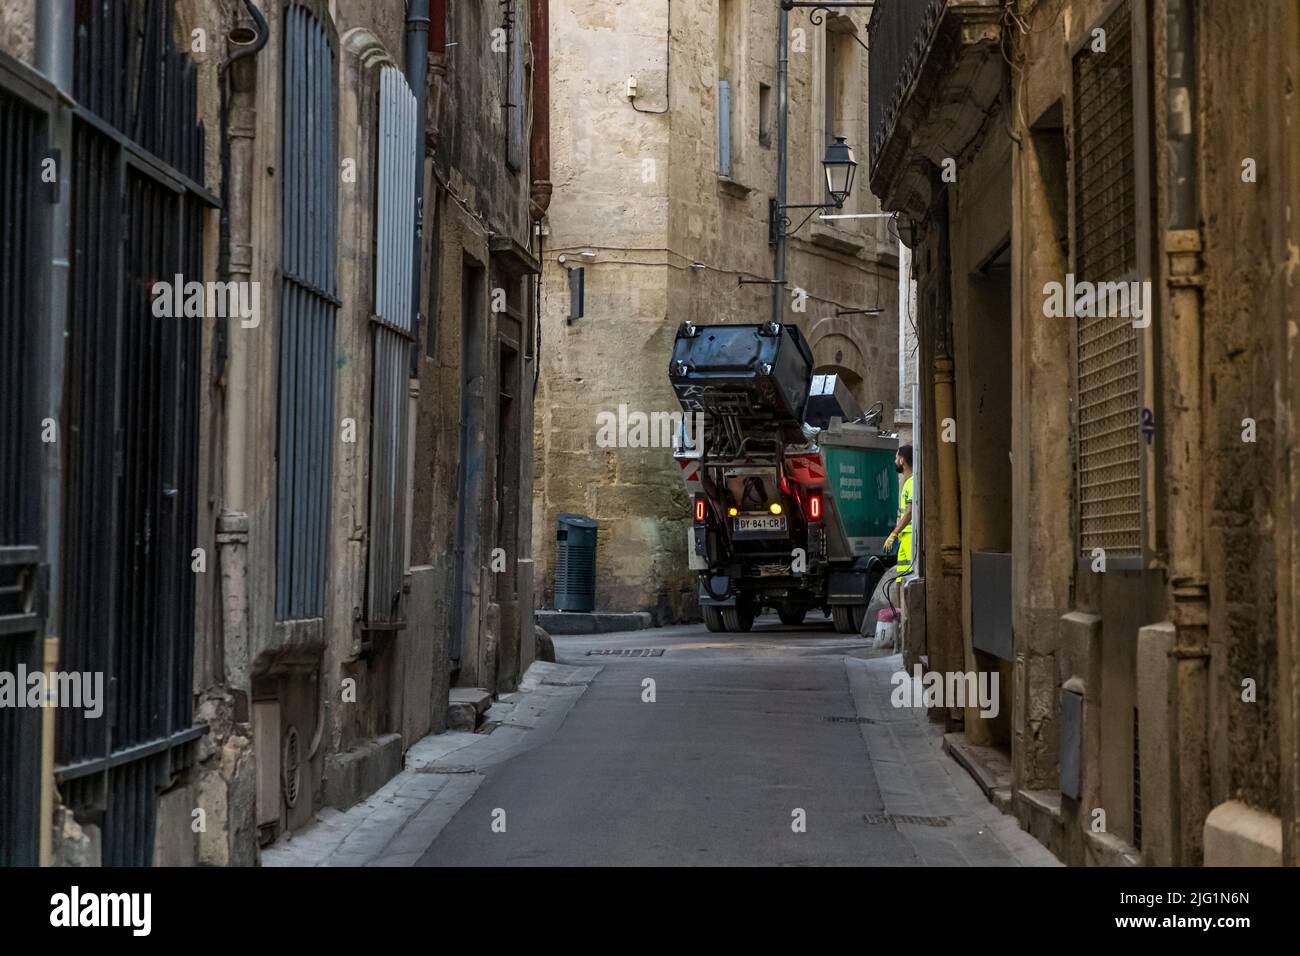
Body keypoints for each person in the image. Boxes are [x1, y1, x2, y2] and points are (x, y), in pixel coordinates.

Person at [883, 444, 913, 575]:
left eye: (896, 458)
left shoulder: (911, 483)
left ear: (902, 460)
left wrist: (894, 533)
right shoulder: (908, 483)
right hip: (904, 536)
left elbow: (909, 512)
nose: (895, 461)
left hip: (910, 536)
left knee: (909, 575)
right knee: (901, 577)